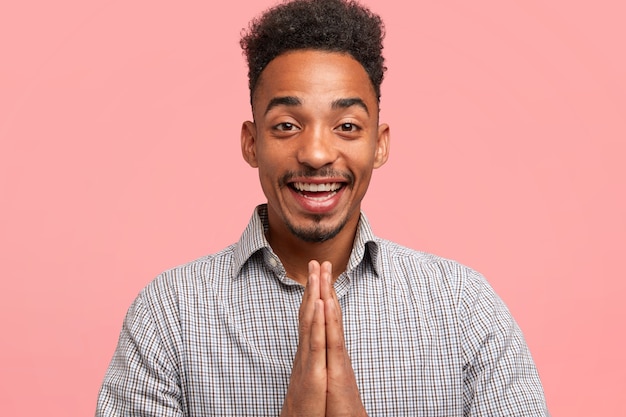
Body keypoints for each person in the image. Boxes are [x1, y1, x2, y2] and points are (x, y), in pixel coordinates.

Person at [96, 0, 550, 415]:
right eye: (287, 125)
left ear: (379, 144)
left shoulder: (464, 309)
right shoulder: (169, 317)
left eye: (347, 125)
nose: (316, 153)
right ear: (251, 144)